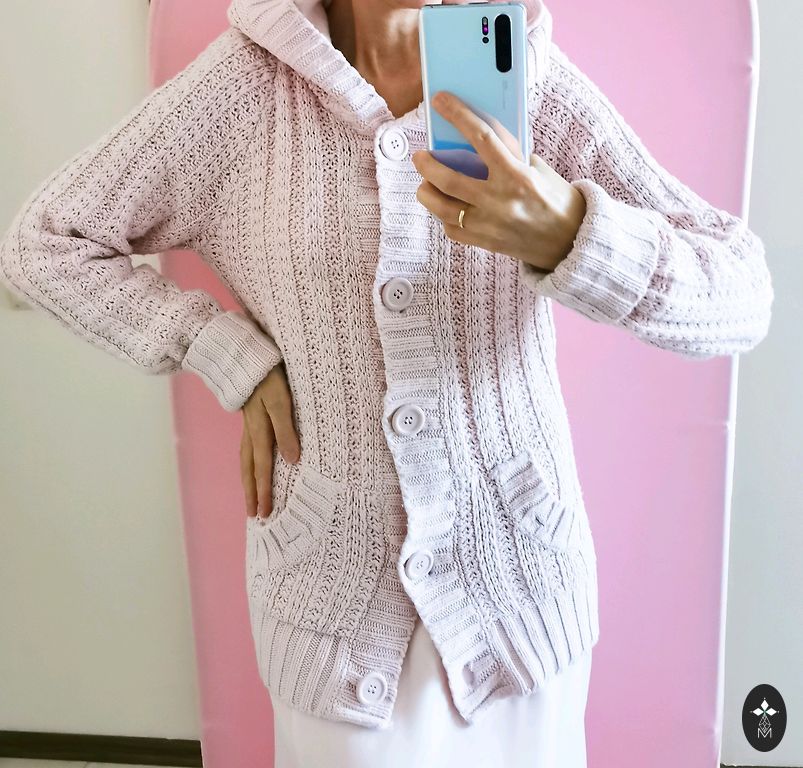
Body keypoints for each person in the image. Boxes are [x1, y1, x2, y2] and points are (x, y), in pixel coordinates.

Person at [0, 0, 773, 765]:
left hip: (519, 589)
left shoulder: (526, 84)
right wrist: (221, 350)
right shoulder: (242, 91)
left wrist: (569, 230)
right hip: (333, 607)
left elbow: (740, 294)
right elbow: (45, 243)